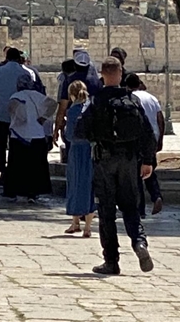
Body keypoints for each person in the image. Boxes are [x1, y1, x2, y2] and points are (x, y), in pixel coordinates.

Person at [74, 57, 156, 275]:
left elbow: (79, 131)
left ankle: (111, 261)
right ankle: (139, 243)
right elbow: (148, 133)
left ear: (102, 74)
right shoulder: (132, 100)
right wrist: (147, 161)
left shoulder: (95, 101)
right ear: (120, 74)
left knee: (106, 211)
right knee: (130, 206)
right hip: (129, 160)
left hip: (104, 160)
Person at [6, 74, 57, 203]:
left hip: (19, 135)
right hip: (37, 135)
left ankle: (16, 192)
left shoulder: (16, 96)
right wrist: (43, 118)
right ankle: (33, 193)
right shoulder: (38, 96)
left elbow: (17, 113)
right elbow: (52, 104)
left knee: (18, 165)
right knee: (35, 167)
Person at [0, 47, 30, 188]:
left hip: (1, 113)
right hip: (18, 114)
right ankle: (15, 171)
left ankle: (3, 171)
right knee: (15, 144)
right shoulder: (25, 72)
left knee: (0, 144)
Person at [126, 74, 164, 216]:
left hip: (136, 140)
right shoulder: (151, 98)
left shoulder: (130, 99)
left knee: (136, 175)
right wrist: (160, 139)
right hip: (152, 138)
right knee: (150, 170)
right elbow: (160, 119)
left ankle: (140, 209)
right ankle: (156, 196)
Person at [63, 81, 95, 237]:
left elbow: (69, 135)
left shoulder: (72, 111)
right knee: (90, 185)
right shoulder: (92, 108)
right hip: (91, 150)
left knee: (75, 183)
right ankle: (88, 227)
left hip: (76, 150)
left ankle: (75, 222)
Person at [54, 50, 101, 148]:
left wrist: (56, 130)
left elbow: (62, 108)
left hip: (74, 131)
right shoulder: (97, 82)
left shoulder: (70, 80)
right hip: (93, 131)